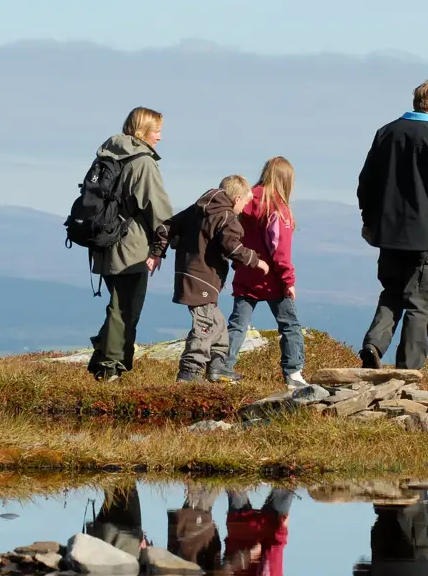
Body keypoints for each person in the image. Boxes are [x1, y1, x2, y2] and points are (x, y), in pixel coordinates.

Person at [356, 79, 428, 370]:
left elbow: (366, 181)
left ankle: (374, 344)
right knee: (420, 304)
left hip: (388, 235)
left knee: (392, 293)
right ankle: (408, 370)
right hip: (425, 238)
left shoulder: (386, 133)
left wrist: (370, 220)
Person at [86, 107, 174, 382]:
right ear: (143, 130)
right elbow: (157, 208)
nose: (160, 137)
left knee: (118, 302)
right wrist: (166, 241)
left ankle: (105, 354)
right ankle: (110, 367)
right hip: (130, 244)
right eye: (156, 130)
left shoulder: (108, 153)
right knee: (126, 306)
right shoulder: (142, 162)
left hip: (103, 240)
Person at [155, 175, 269, 383]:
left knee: (218, 323)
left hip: (189, 274)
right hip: (203, 278)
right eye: (245, 202)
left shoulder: (197, 209)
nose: (244, 208)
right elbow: (232, 246)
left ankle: (217, 367)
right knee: (206, 325)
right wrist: (256, 261)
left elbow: (165, 228)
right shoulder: (226, 217)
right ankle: (189, 372)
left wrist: (156, 254)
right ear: (237, 199)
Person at [209, 157, 306, 387]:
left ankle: (223, 367)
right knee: (289, 325)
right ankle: (293, 373)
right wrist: (288, 280)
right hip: (272, 279)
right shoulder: (278, 208)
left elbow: (233, 237)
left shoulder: (245, 199)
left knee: (237, 325)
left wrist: (237, 264)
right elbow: (279, 250)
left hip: (246, 274)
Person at [222, 487, 294, 576]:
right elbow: (226, 568)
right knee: (233, 480)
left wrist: (282, 529)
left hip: (260, 526)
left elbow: (273, 553)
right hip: (244, 528)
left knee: (288, 479)